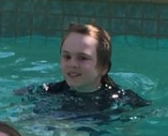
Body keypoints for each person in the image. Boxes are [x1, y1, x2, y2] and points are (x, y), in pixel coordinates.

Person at [16, 23, 150, 122]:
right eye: (67, 57)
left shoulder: (125, 101)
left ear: (103, 67)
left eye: (83, 58)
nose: (72, 64)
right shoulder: (46, 92)